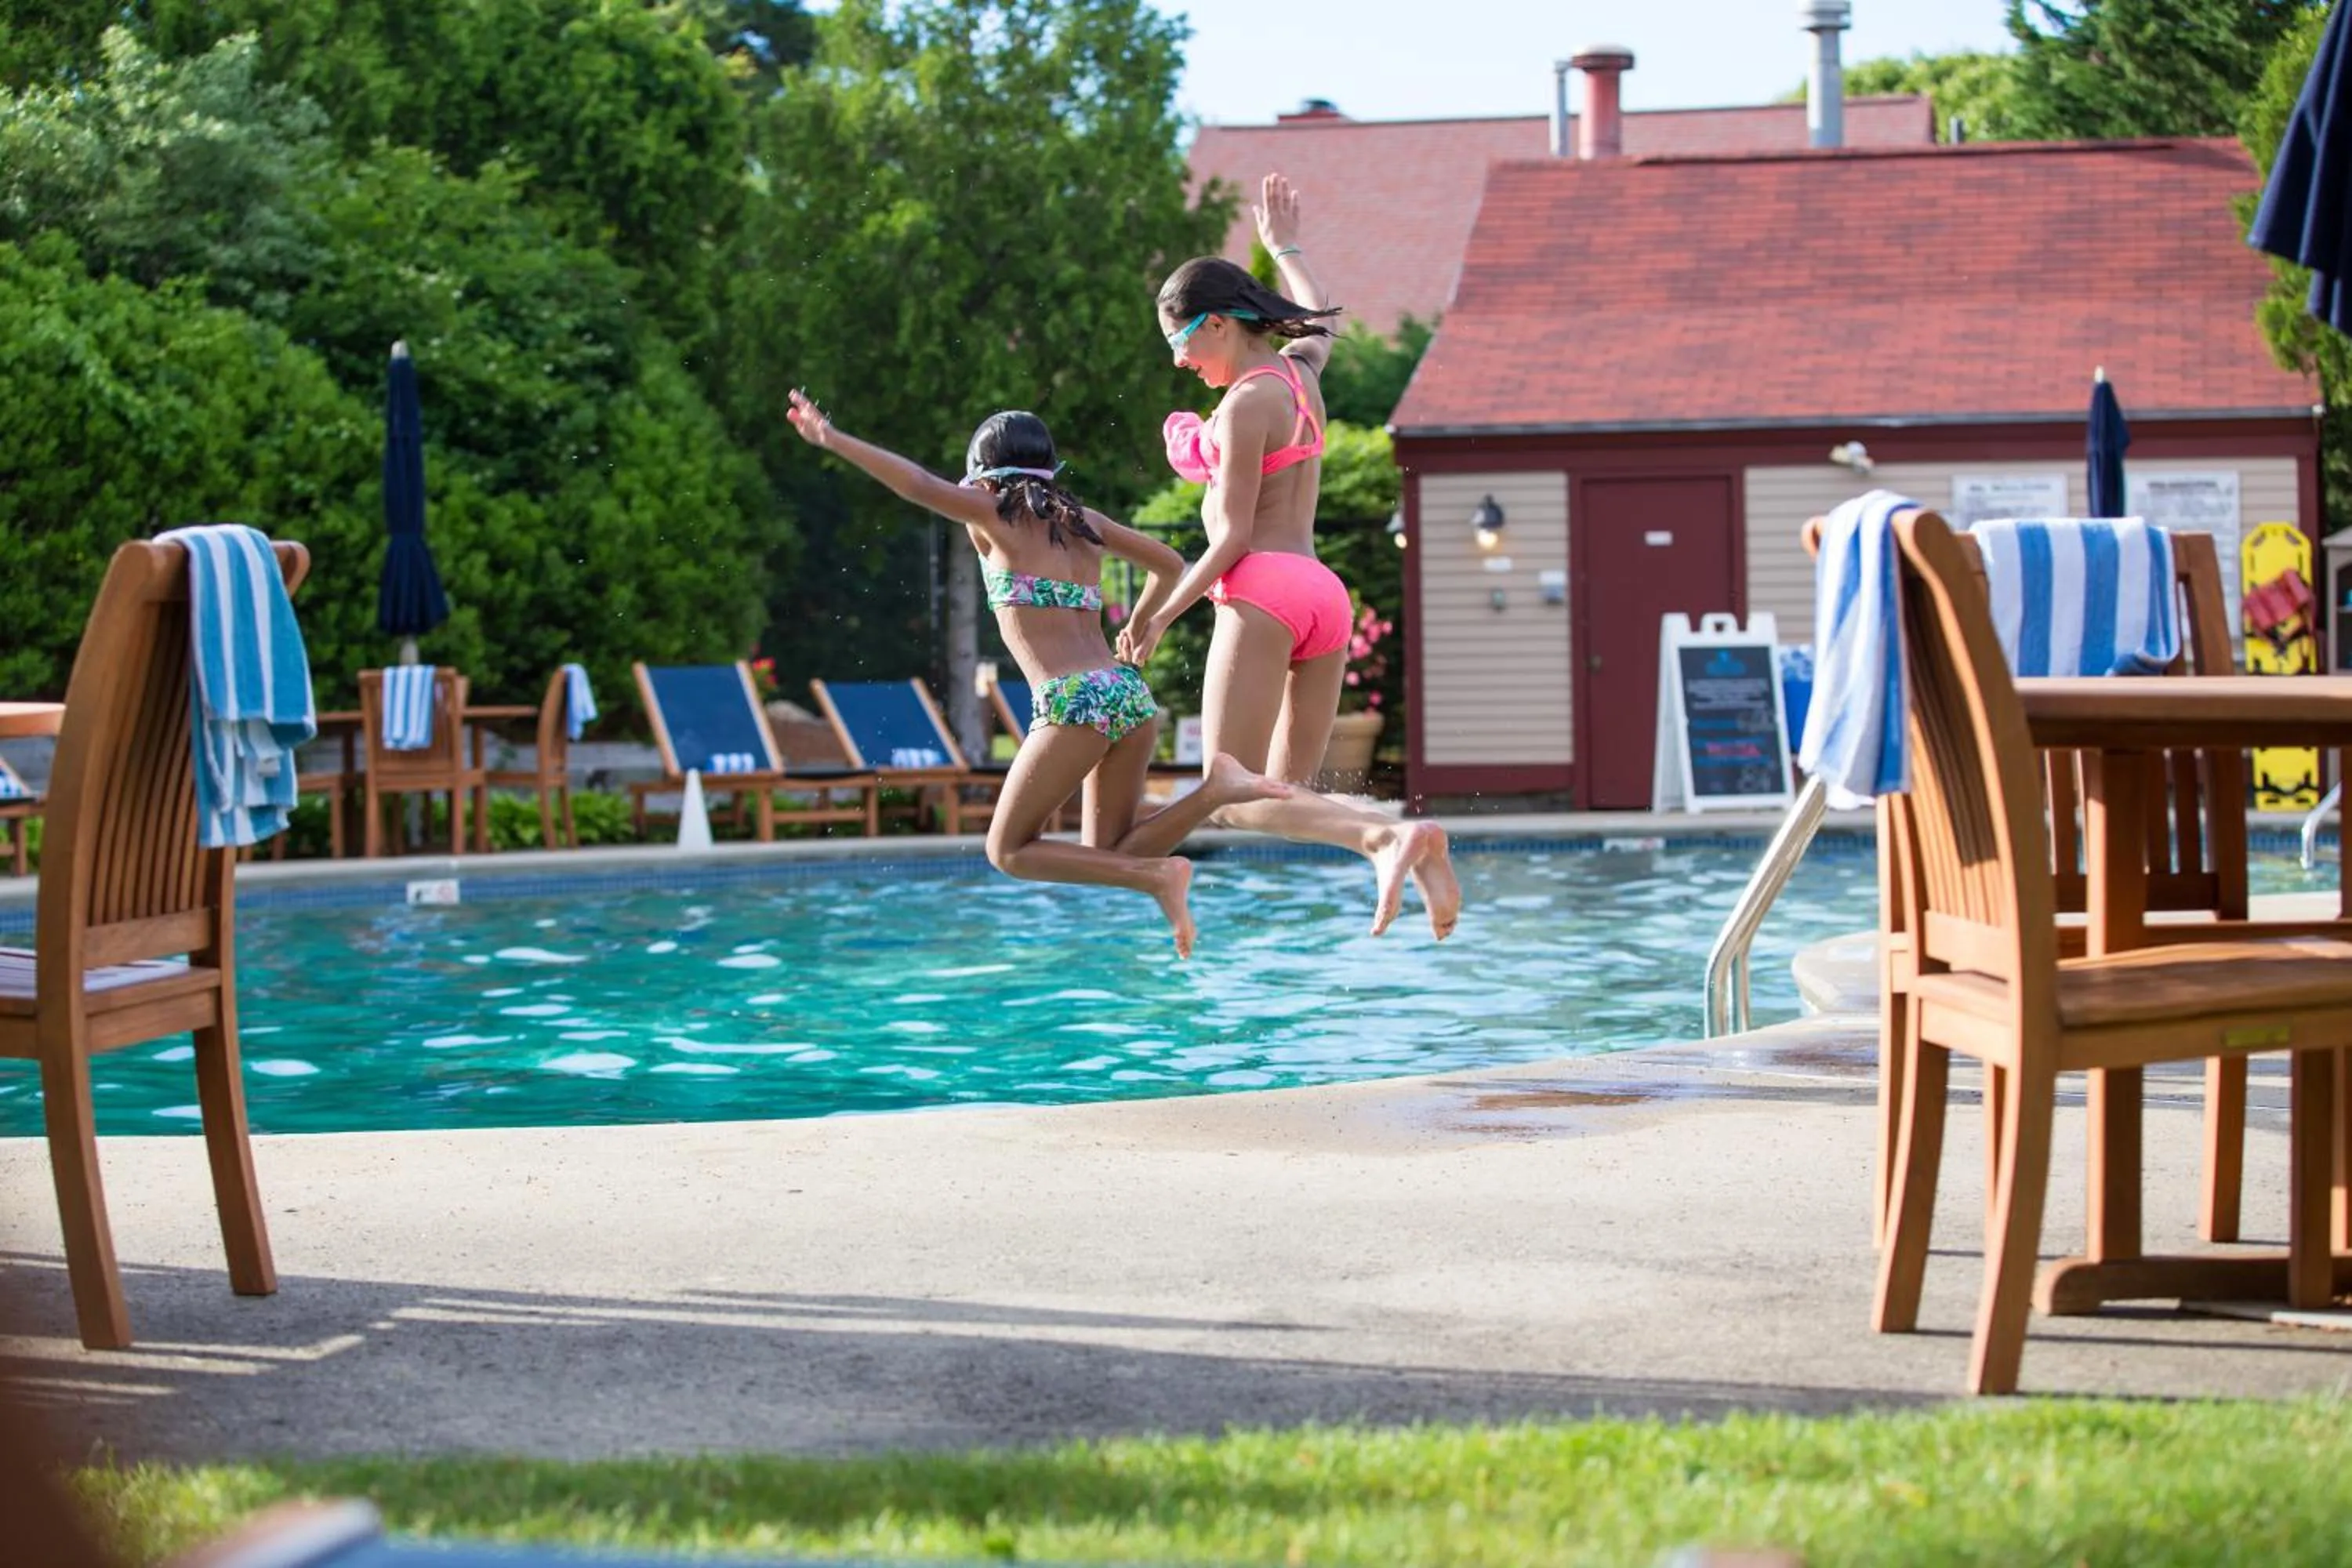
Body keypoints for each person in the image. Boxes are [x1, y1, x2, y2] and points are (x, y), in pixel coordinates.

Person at [785, 390, 1287, 958]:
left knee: (1008, 850)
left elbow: (919, 485)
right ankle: (1213, 793)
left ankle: (1157, 878)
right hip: (1126, 694)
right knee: (1110, 852)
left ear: (982, 479)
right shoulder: (1084, 523)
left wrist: (835, 440)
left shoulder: (994, 516)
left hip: (1073, 702)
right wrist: (1146, 625)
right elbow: (1170, 565)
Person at [1116, 173, 1461, 940]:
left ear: (1215, 324)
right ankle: (1398, 835)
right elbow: (1320, 312)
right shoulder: (1300, 373)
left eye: (1179, 342)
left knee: (1232, 789)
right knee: (1280, 794)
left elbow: (1232, 537)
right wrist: (1285, 248)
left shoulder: (1245, 404)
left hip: (1264, 587)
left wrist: (1162, 615)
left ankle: (1382, 836)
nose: (1179, 362)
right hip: (1323, 595)